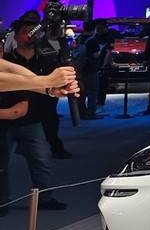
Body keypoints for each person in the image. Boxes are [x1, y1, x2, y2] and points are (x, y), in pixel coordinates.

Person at [2, 20, 68, 212]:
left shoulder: (41, 57)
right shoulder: (11, 58)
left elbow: (9, 70)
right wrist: (46, 82)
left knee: (41, 159)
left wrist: (48, 88)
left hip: (32, 119)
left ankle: (44, 198)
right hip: (6, 122)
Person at [77, 19, 113, 119]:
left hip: (80, 68)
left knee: (82, 91)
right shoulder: (93, 40)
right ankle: (91, 113)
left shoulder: (79, 38)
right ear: (94, 29)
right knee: (92, 91)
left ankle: (81, 112)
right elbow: (95, 55)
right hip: (91, 68)